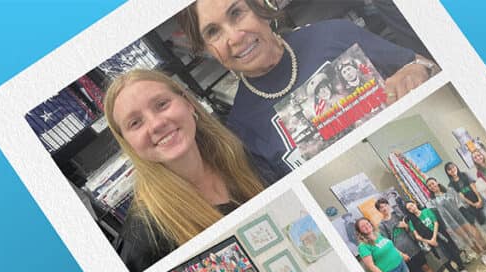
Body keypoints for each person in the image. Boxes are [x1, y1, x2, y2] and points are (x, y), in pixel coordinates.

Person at [180, 0, 438, 177]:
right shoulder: (242, 127)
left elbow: (427, 66)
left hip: (425, 159)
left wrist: (418, 69)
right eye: (213, 32)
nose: (235, 37)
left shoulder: (334, 35)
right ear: (205, 50)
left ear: (260, 6)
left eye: (237, 13)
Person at [104, 69, 265, 272]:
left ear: (188, 103)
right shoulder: (145, 236)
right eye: (135, 123)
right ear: (128, 143)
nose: (156, 124)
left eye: (162, 104)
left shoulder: (241, 151)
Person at [374, 198, 451, 272]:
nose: (384, 208)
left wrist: (405, 226)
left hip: (413, 246)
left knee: (426, 267)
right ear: (379, 210)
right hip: (402, 254)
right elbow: (387, 243)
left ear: (388, 205)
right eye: (381, 207)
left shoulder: (397, 215)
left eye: (385, 205)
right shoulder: (382, 225)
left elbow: (411, 228)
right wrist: (400, 254)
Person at [424, 177, 486, 267]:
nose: (432, 186)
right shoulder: (432, 202)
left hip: (461, 217)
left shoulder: (449, 191)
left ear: (437, 182)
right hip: (451, 223)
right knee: (467, 239)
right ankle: (482, 255)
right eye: (429, 186)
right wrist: (446, 227)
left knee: (473, 234)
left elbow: (459, 204)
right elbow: (438, 216)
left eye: (432, 183)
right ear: (428, 188)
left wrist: (467, 215)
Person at [403, 201, 470, 272]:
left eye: (412, 205)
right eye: (409, 209)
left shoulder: (426, 211)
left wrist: (434, 238)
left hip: (440, 235)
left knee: (453, 252)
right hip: (430, 242)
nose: (412, 208)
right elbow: (417, 236)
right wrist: (430, 241)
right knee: (443, 259)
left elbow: (435, 222)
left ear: (415, 204)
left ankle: (461, 268)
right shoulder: (412, 222)